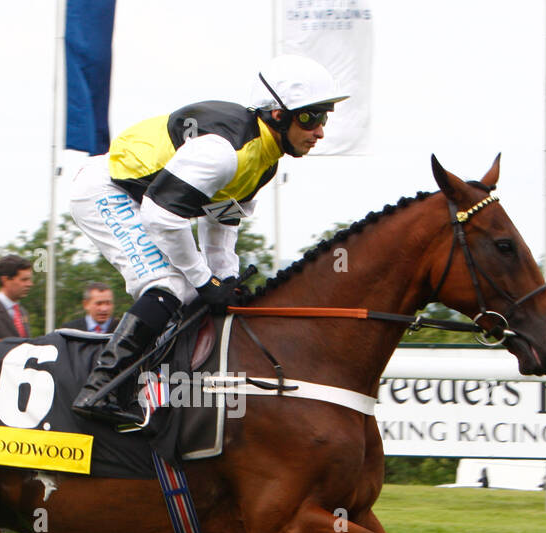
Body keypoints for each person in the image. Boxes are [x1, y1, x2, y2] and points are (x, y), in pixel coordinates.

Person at [68, 54, 347, 425]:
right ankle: (100, 388)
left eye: (324, 118)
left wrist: (224, 280)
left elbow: (220, 228)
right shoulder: (223, 153)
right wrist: (204, 280)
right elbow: (162, 217)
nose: (320, 131)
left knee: (194, 289)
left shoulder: (263, 160)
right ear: (277, 114)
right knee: (170, 284)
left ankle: (164, 380)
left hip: (143, 197)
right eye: (311, 117)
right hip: (104, 190)